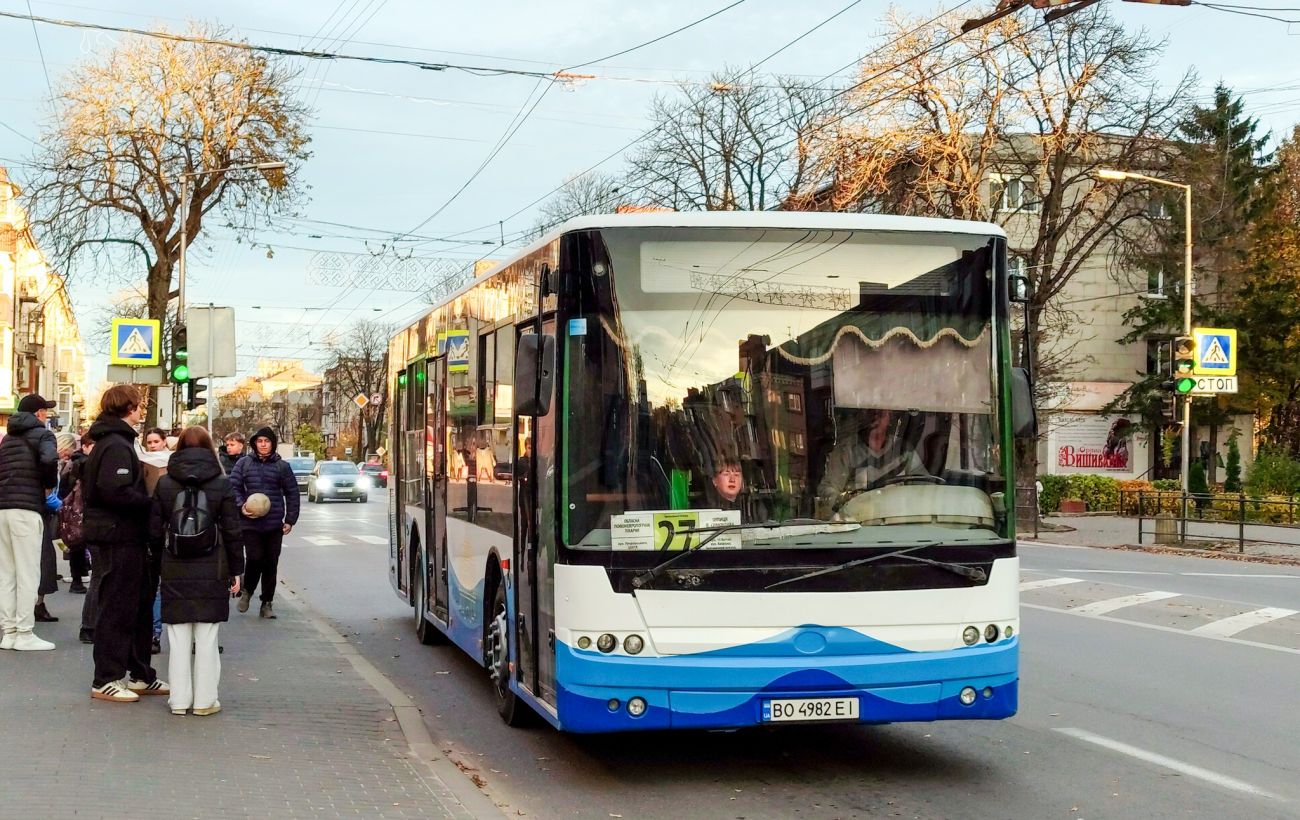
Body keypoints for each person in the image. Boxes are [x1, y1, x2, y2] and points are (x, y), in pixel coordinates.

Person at [149, 426, 244, 716]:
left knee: (177, 639)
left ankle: (178, 701)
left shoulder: (165, 483)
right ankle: (205, 701)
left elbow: (153, 532)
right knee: (207, 639)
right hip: (212, 568)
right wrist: (236, 570)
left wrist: (156, 566)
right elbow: (232, 530)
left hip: (174, 568)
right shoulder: (222, 484)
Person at [83, 384, 168, 702]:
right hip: (117, 537)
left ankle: (140, 673)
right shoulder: (116, 445)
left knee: (137, 607)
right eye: (138, 404)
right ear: (129, 407)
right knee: (117, 609)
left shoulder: (114, 441)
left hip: (124, 537)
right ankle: (106, 678)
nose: (141, 409)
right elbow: (114, 490)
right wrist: (149, 499)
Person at [0, 393, 60, 651]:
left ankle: (9, 631)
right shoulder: (44, 435)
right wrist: (47, 486)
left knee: (7, 574)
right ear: (38, 414)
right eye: (45, 410)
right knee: (28, 572)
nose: (47, 414)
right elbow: (49, 460)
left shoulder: (8, 438)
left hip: (3, 508)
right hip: (27, 509)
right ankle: (24, 632)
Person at [229, 427, 298, 619]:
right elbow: (233, 486)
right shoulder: (244, 464)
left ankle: (267, 603)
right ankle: (247, 591)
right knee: (255, 558)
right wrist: (241, 505)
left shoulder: (282, 466)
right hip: (250, 522)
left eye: (266, 441)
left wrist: (290, 520)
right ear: (254, 444)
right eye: (260, 441)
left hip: (274, 523)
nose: (263, 444)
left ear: (272, 444)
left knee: (271, 563)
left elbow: (292, 493)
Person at [817, 409, 928, 511]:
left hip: (897, 521)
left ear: (890, 417)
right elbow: (828, 489)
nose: (876, 415)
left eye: (882, 411)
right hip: (859, 523)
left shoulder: (904, 450)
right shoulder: (846, 450)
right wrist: (845, 505)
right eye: (870, 410)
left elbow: (925, 487)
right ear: (862, 415)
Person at [59, 431, 91, 594]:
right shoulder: (82, 463)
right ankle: (78, 579)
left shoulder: (73, 462)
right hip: (80, 508)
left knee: (76, 545)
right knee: (79, 544)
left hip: (72, 509)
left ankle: (77, 579)